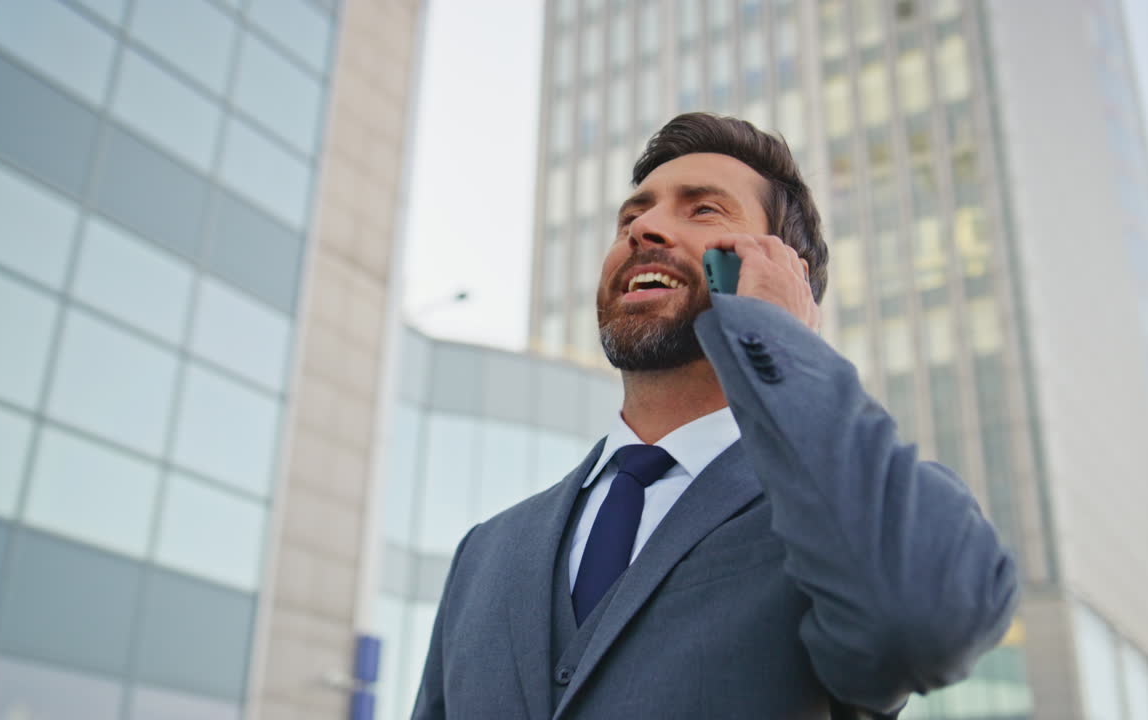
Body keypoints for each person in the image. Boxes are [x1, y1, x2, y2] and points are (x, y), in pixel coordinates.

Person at [412, 113, 1017, 719]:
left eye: (703, 210)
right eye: (631, 216)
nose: (644, 228)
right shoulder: (486, 552)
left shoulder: (847, 514)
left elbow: (924, 624)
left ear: (782, 272)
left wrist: (781, 339)